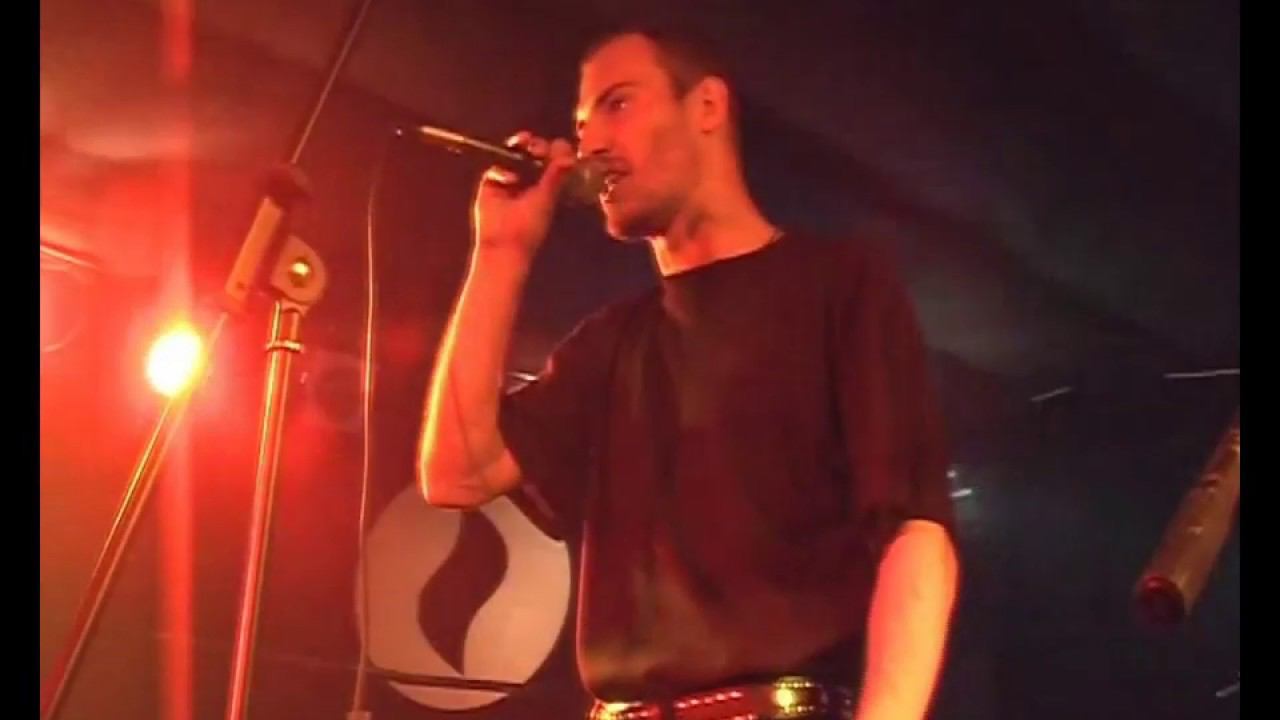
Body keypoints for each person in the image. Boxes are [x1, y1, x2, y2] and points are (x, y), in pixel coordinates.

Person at [417, 25, 959, 720]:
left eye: (618, 104)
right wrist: (501, 254)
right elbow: (457, 471)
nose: (592, 144)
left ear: (706, 106)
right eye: (580, 127)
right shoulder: (610, 342)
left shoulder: (840, 284)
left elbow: (915, 533)